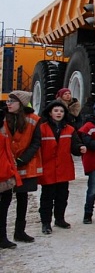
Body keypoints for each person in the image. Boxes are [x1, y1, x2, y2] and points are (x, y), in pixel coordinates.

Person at [35, 100, 87, 234]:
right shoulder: (42, 128)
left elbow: (74, 145)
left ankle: (60, 219)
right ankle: (46, 223)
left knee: (62, 196)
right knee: (47, 197)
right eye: (56, 111)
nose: (59, 113)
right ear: (50, 113)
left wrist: (80, 148)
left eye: (62, 111)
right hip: (48, 169)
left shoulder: (70, 129)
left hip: (64, 168)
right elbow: (36, 147)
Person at [1, 91, 41, 246]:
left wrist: (22, 159)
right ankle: (2, 236)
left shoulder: (34, 120)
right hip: (5, 165)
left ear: (21, 104)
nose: (8, 103)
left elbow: (36, 142)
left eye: (12, 101)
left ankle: (19, 231)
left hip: (23, 163)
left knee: (22, 198)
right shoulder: (3, 119)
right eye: (8, 101)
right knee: (4, 201)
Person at [0, 104, 23, 249]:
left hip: (6, 174)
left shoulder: (3, 131)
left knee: (4, 208)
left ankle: (2, 237)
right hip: (4, 174)